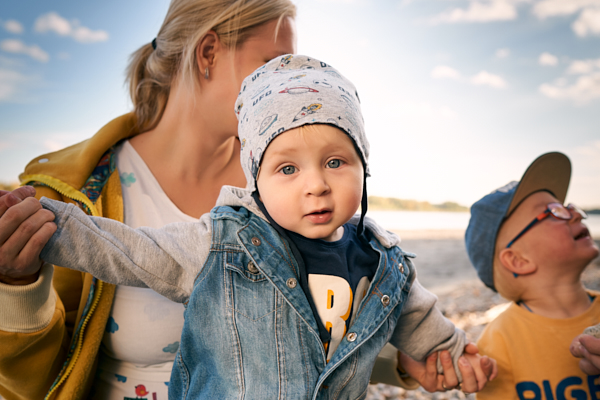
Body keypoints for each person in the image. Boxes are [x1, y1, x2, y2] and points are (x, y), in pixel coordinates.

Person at [32, 55, 496, 399]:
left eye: (336, 162)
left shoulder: (385, 264)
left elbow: (426, 329)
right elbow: (131, 252)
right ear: (255, 180)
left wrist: (459, 358)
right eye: (287, 170)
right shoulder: (223, 242)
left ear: (364, 167)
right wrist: (50, 223)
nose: (316, 185)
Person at [0, 1, 297, 399]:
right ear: (208, 53)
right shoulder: (77, 193)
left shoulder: (287, 184)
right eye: (272, 64)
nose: (286, 86)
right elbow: (37, 383)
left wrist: (405, 353)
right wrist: (18, 286)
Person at [465, 152, 600, 399]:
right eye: (555, 211)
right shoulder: (499, 341)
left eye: (568, 205)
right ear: (518, 260)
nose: (577, 214)